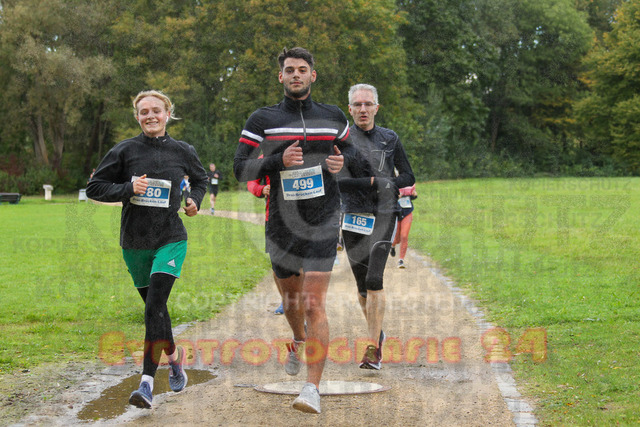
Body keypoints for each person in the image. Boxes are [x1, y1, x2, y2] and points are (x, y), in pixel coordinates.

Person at [234, 47, 349, 414]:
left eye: (302, 69)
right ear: (280, 76)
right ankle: (299, 339)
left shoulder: (333, 116)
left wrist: (342, 162)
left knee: (313, 303)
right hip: (282, 223)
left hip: (324, 219)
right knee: (291, 301)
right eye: (289, 70)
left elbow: (355, 157)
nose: (296, 75)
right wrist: (276, 161)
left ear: (313, 75)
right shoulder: (262, 119)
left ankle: (311, 388)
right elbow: (240, 169)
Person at [86, 90, 208, 409]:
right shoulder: (124, 150)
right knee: (157, 311)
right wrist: (128, 188)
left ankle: (146, 384)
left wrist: (195, 200)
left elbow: (200, 179)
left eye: (156, 110)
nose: (150, 116)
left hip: (171, 238)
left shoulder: (183, 150)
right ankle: (174, 358)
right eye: (144, 112)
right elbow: (94, 187)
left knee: (154, 307)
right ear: (137, 117)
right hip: (134, 242)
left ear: (167, 113)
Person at [338, 83, 415, 370]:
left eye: (368, 104)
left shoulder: (389, 138)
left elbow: (408, 175)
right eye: (357, 105)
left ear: (376, 108)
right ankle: (377, 332)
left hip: (385, 213)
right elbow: (338, 181)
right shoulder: (342, 141)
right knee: (361, 288)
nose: (363, 109)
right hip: (353, 215)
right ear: (350, 109)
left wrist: (388, 184)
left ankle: (372, 350)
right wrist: (372, 182)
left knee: (374, 279)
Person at [246, 169, 285, 315]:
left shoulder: (302, 157)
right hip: (273, 219)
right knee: (277, 265)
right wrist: (261, 189)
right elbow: (251, 183)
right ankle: (286, 300)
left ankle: (302, 301)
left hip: (301, 218)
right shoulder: (265, 159)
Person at [391, 184, 418, 268]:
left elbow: (412, 196)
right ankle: (392, 246)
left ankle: (401, 260)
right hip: (396, 213)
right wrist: (396, 197)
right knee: (397, 239)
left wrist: (414, 195)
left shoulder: (408, 181)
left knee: (404, 236)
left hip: (407, 213)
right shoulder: (392, 181)